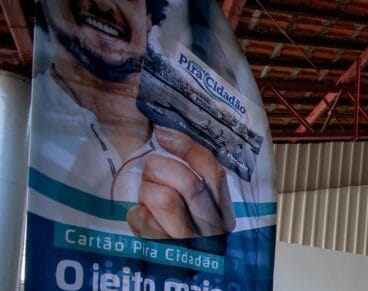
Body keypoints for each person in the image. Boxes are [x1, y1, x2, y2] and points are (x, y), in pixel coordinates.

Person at [32, 0, 268, 242]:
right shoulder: (28, 131)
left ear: (148, 22)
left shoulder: (206, 169)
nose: (104, 5)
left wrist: (209, 268)